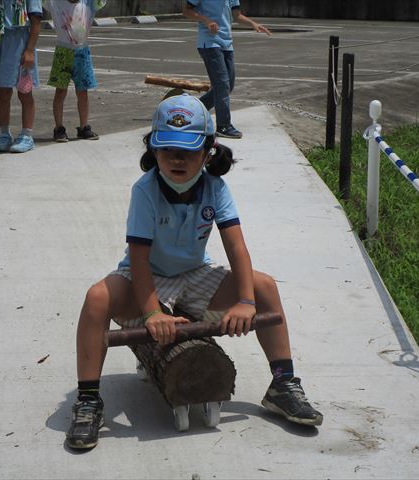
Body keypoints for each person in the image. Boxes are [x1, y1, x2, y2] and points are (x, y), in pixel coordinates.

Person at [65, 94, 322, 450]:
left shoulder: (215, 188)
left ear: (209, 151)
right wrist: (153, 311)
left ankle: (283, 382)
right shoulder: (146, 190)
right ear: (153, 151)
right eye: (167, 149)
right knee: (96, 298)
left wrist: (246, 301)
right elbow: (139, 259)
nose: (177, 159)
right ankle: (88, 400)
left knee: (264, 287)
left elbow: (236, 247)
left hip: (194, 273)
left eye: (188, 150)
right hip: (147, 276)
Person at [183, 0, 270, 139]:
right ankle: (223, 126)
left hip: (227, 43)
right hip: (209, 43)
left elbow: (237, 15)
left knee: (227, 86)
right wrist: (205, 20)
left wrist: (253, 24)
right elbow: (187, 11)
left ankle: (192, 111)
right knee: (222, 85)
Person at [0, 0, 42, 153]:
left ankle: (27, 135)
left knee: (25, 91)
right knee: (3, 91)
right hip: (0, 38)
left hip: (21, 41)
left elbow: (36, 22)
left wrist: (29, 51)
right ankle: (4, 134)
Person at [47, 0, 105, 142]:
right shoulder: (55, 3)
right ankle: (59, 128)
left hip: (82, 51)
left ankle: (84, 127)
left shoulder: (89, 3)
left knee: (83, 91)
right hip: (63, 51)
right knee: (60, 91)